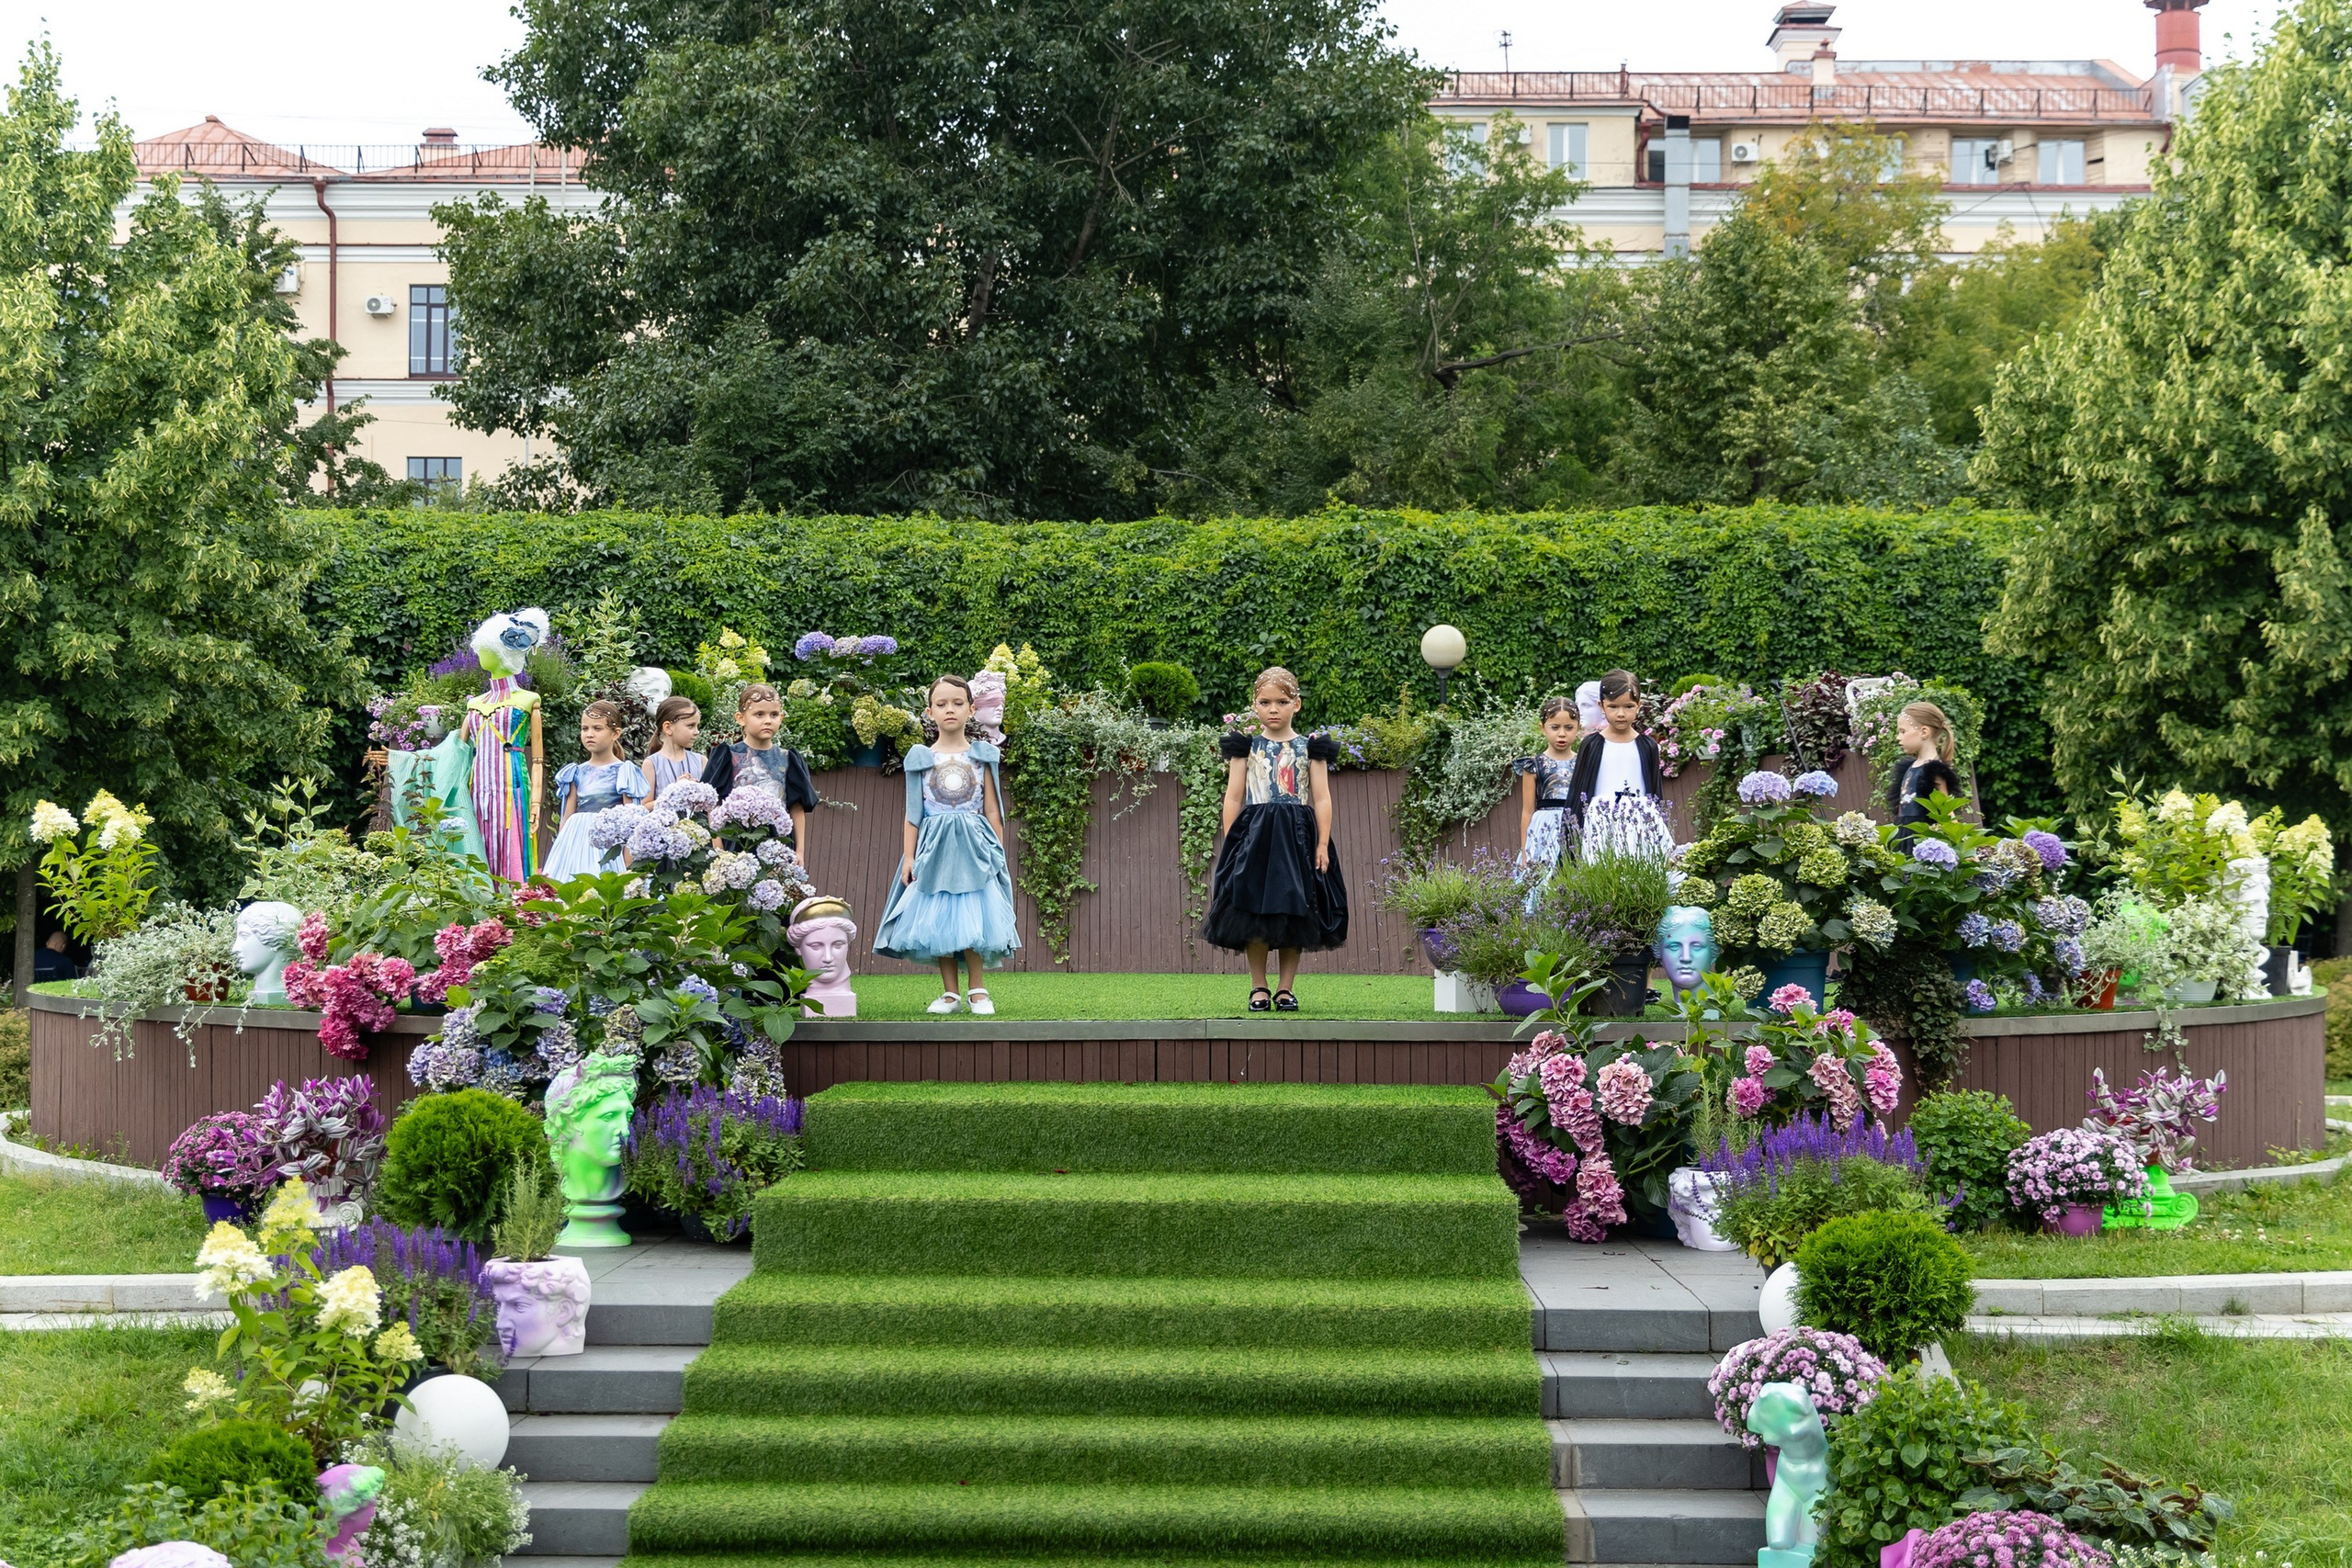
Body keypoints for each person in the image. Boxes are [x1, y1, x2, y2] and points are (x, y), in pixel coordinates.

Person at [873, 675, 1020, 1014]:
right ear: (930, 712)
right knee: (937, 916)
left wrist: (996, 850)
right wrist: (909, 857)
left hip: (974, 848)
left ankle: (978, 990)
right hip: (934, 848)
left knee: (975, 915)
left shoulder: (982, 756)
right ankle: (950, 993)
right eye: (941, 704)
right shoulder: (921, 758)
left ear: (971, 709)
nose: (949, 710)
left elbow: (993, 808)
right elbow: (913, 814)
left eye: (957, 703)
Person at [1202, 667, 1347, 1012]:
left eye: (1282, 702)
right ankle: (1258, 987)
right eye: (1265, 702)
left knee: (1295, 911)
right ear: (1254, 705)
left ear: (1296, 704)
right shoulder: (1245, 748)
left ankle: (1285, 989)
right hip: (1255, 838)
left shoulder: (1310, 749)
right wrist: (1231, 841)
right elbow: (1234, 797)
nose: (1273, 709)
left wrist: (1322, 843)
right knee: (1252, 911)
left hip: (1297, 838)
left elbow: (1322, 798)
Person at [699, 683, 817, 858]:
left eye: (774, 714)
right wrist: (718, 845)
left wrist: (799, 852)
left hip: (777, 843)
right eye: (759, 714)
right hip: (735, 843)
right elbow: (712, 803)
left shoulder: (788, 758)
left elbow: (796, 808)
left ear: (781, 718)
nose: (768, 720)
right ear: (741, 718)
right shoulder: (727, 756)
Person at [1568, 669, 1670, 860]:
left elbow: (1656, 794)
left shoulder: (1648, 746)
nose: (1621, 714)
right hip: (1600, 826)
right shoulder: (1592, 745)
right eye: (1613, 707)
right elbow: (1577, 794)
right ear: (1602, 705)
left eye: (1628, 707)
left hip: (1641, 825)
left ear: (1639, 706)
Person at [542, 701, 650, 878]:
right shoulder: (575, 772)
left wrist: (628, 858)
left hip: (608, 844)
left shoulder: (624, 772)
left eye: (597, 729)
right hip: (575, 842)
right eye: (585, 729)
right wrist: (559, 850)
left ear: (615, 733)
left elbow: (632, 818)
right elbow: (567, 815)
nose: (589, 734)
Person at [1513, 695, 1583, 894]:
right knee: (1540, 881)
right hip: (1542, 830)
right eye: (1555, 727)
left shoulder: (1583, 764)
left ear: (1578, 727)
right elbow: (1527, 811)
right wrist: (1526, 852)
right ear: (1542, 727)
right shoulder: (1533, 765)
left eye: (1569, 727)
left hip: (1574, 826)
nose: (1562, 734)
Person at [1887, 700, 1962, 837]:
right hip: (1903, 836)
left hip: (1922, 839)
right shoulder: (1909, 768)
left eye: (1903, 731)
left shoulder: (1933, 771)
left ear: (1924, 732)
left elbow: (1946, 812)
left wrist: (1964, 847)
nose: (1898, 737)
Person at [639, 696, 707, 798]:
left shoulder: (701, 761)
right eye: (690, 726)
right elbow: (645, 805)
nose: (697, 732)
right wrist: (675, 791)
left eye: (697, 726)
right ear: (668, 727)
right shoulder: (652, 764)